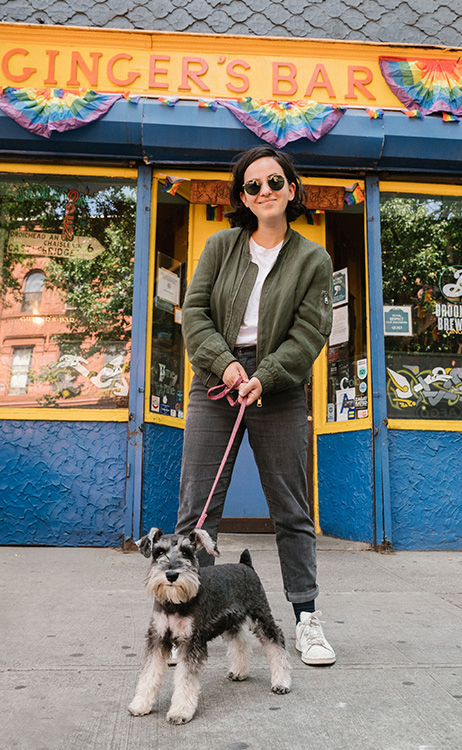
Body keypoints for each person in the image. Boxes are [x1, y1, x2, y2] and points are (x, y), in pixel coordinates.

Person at [176, 145, 337, 665]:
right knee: (197, 507)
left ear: (291, 189)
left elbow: (311, 331)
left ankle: (306, 619)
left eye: (274, 182)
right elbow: (194, 312)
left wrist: (265, 376)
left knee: (292, 508)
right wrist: (225, 365)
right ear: (242, 197)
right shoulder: (222, 246)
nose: (264, 191)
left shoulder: (314, 258)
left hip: (280, 386)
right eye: (252, 186)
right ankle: (184, 623)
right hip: (216, 380)